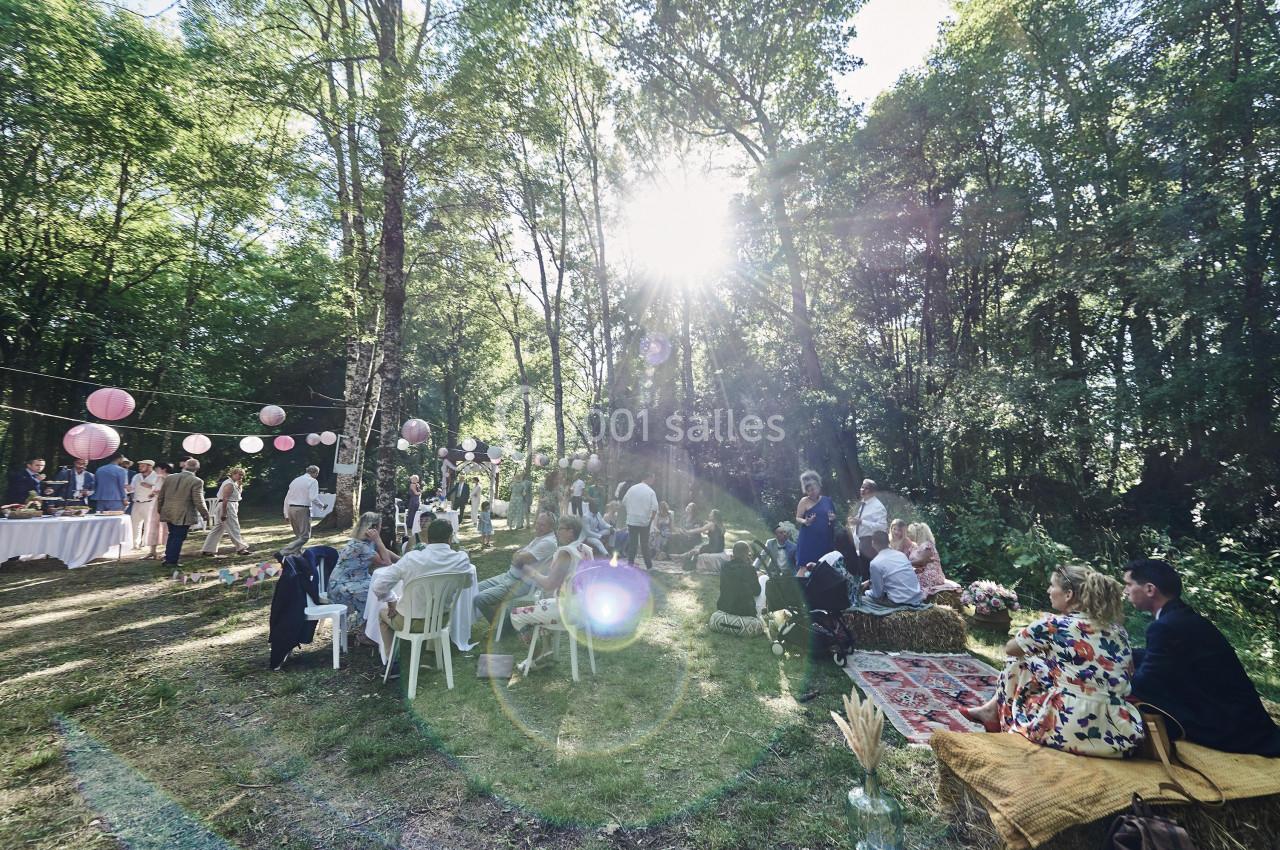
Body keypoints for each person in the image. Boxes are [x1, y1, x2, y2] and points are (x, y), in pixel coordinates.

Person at [961, 564, 1144, 758]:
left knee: (1019, 662)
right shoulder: (1118, 630)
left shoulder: (1054, 625)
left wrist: (1043, 644)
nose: (1049, 591)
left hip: (1066, 729)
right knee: (1047, 667)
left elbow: (1011, 648)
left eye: (1052, 586)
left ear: (1068, 594)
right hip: (1118, 734)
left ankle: (997, 718)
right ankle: (990, 711)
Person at [1123, 558, 1280, 756]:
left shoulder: (1165, 626)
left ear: (1150, 589)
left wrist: (1109, 677)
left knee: (1132, 698)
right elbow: (1160, 657)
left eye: (1129, 584)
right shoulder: (1179, 617)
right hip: (1241, 715)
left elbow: (1147, 684)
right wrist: (1123, 653)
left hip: (1228, 724)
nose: (1125, 591)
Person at [371, 518, 472, 676]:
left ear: (427, 538)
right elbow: (466, 585)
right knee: (433, 606)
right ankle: (429, 655)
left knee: (382, 613)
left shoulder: (412, 559)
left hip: (410, 622)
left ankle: (393, 662)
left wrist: (391, 600)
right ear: (450, 538)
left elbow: (378, 586)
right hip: (442, 619)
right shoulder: (461, 558)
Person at [509, 516, 591, 633]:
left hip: (567, 611)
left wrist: (530, 571)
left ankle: (535, 648)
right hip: (584, 606)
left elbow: (549, 585)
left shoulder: (566, 552)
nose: (557, 532)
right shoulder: (585, 549)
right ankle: (546, 648)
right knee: (542, 602)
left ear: (571, 531)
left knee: (515, 614)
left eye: (560, 529)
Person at [474, 512, 558, 624]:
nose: (537, 527)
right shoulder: (541, 537)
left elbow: (518, 559)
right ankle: (503, 620)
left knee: (480, 598)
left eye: (542, 525)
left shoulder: (548, 542)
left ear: (551, 527)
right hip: (509, 576)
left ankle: (504, 626)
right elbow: (518, 556)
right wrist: (518, 556)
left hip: (521, 583)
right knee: (474, 589)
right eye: (537, 523)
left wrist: (518, 556)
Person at [329, 511, 400, 631]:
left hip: (357, 580)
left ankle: (371, 628)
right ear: (373, 528)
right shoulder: (360, 546)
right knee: (378, 594)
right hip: (341, 586)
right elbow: (387, 563)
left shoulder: (367, 541)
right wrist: (378, 540)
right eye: (380, 525)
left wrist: (402, 560)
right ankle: (364, 630)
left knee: (381, 589)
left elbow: (385, 551)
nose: (381, 528)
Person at [155, 458, 210, 567]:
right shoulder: (196, 481)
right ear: (197, 469)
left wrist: (160, 508)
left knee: (172, 535)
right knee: (178, 537)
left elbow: (161, 495)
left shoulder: (170, 478)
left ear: (184, 466)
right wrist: (205, 513)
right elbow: (198, 499)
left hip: (168, 510)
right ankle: (171, 561)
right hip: (183, 513)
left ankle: (168, 558)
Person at [709, 541, 765, 635]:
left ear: (733, 553)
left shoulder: (724, 566)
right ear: (747, 554)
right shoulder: (750, 569)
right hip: (745, 611)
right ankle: (759, 616)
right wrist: (754, 573)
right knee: (764, 579)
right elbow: (757, 592)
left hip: (724, 607)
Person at [861, 530, 923, 606]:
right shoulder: (901, 555)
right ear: (888, 542)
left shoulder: (875, 563)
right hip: (916, 597)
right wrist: (869, 582)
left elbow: (877, 594)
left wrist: (866, 592)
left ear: (873, 543)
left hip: (899, 601)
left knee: (863, 600)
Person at [200, 467, 252, 557]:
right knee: (234, 527)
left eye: (242, 475)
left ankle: (208, 549)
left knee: (218, 528)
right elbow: (225, 499)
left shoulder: (234, 483)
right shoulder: (229, 484)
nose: (241, 476)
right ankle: (241, 548)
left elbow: (237, 495)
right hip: (227, 506)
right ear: (233, 474)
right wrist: (224, 513)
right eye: (239, 474)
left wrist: (240, 485)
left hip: (232, 505)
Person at [905, 522, 960, 598]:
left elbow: (922, 561)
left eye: (909, 533)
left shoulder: (927, 545)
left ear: (918, 533)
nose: (908, 535)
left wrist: (905, 563)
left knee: (909, 581)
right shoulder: (914, 547)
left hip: (931, 574)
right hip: (921, 572)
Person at [794, 470, 836, 570]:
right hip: (808, 539)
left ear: (818, 487)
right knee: (805, 567)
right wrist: (805, 521)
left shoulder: (827, 500)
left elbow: (833, 518)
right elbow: (798, 517)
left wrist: (832, 519)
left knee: (824, 566)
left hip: (825, 538)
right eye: (808, 491)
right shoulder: (804, 501)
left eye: (813, 489)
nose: (811, 492)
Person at [280, 465, 321, 556]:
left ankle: (297, 554)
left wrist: (286, 513)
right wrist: (321, 505)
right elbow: (313, 497)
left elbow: (287, 498)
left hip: (291, 508)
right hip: (302, 509)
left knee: (298, 535)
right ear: (315, 473)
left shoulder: (295, 480)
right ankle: (284, 551)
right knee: (305, 536)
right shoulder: (313, 481)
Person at [849, 479, 888, 574]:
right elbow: (861, 522)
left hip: (871, 543)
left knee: (870, 573)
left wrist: (862, 522)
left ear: (873, 492)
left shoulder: (878, 506)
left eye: (866, 488)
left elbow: (882, 527)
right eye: (862, 487)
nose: (863, 490)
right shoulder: (864, 503)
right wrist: (854, 522)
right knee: (864, 572)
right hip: (861, 542)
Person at [622, 471, 659, 570]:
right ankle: (649, 566)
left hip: (632, 520)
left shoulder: (632, 489)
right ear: (649, 478)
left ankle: (630, 564)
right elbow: (655, 508)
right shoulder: (650, 491)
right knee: (644, 544)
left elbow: (624, 501)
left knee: (633, 543)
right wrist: (651, 519)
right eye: (653, 478)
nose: (654, 480)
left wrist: (630, 511)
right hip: (644, 521)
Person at [143, 462, 172, 559]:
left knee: (166, 527)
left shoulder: (170, 478)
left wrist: (157, 492)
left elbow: (168, 491)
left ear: (163, 469)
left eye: (157, 469)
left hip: (166, 504)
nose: (156, 471)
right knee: (153, 525)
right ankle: (152, 551)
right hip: (157, 503)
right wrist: (153, 493)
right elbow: (156, 489)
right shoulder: (158, 478)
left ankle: (167, 551)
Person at [127, 460, 158, 547]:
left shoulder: (156, 476)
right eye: (139, 466)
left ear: (149, 466)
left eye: (142, 466)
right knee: (135, 524)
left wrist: (150, 486)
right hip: (136, 503)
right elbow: (132, 489)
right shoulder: (136, 476)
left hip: (150, 503)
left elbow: (162, 489)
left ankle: (146, 544)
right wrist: (128, 489)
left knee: (149, 525)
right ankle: (134, 544)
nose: (140, 467)